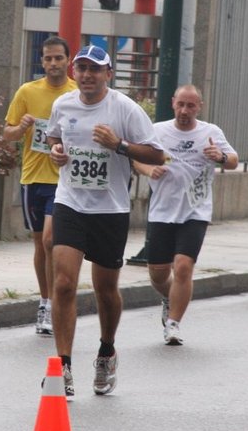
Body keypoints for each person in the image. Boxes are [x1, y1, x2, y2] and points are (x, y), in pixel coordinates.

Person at [46, 45, 164, 396]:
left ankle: (106, 350)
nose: (87, 75)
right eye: (81, 68)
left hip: (110, 209)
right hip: (70, 201)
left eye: (94, 70)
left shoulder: (124, 109)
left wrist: (120, 145)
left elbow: (157, 153)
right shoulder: (62, 105)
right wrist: (56, 152)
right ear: (73, 72)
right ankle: (63, 366)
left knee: (106, 289)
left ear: (108, 74)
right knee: (65, 282)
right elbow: (54, 136)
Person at [134, 84, 238, 345]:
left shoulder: (210, 132)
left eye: (190, 105)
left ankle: (173, 324)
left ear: (199, 107)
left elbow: (234, 160)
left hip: (196, 210)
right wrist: (149, 171)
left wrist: (220, 156)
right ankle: (170, 298)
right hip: (162, 210)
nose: (184, 110)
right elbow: (137, 158)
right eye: (181, 104)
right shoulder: (158, 131)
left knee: (183, 266)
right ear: (172, 103)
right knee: (158, 273)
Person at [4, 36, 77, 336]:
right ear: (42, 61)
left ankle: (53, 304)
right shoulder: (27, 91)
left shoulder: (76, 94)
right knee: (40, 244)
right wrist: (21, 128)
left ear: (67, 60)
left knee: (50, 241)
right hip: (33, 178)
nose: (53, 63)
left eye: (58, 58)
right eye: (47, 59)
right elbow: (7, 132)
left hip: (65, 181)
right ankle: (45, 299)